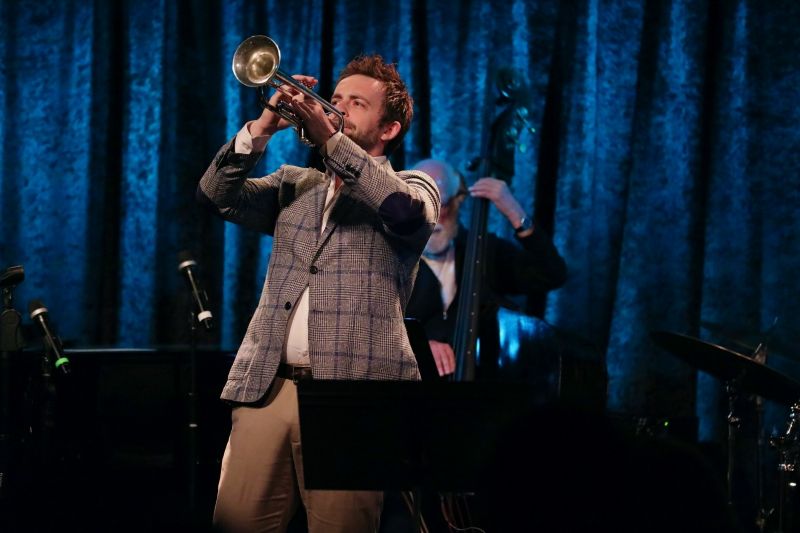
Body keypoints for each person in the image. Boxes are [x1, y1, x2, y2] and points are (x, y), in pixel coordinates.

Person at [197, 55, 439, 533]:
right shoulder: (296, 184)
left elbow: (403, 214)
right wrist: (264, 125)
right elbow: (215, 195)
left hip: (352, 396)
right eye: (337, 97)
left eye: (357, 103)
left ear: (388, 129)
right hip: (268, 386)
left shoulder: (414, 187)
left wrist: (331, 140)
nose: (338, 106)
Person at [405, 158, 567, 379]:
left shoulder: (483, 251)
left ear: (457, 201)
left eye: (440, 206)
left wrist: (513, 210)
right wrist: (416, 346)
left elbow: (552, 274)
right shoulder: (388, 256)